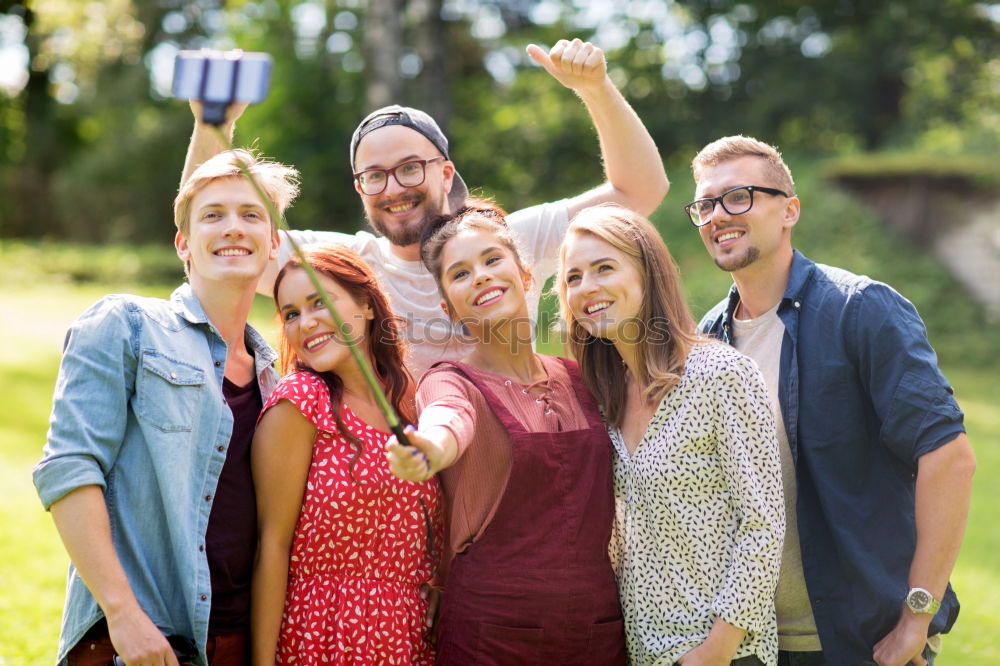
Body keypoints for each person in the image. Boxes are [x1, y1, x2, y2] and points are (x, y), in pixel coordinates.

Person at [182, 38, 669, 376]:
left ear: (446, 173)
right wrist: (212, 126)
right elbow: (205, 245)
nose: (394, 187)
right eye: (374, 176)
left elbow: (639, 192)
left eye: (411, 167)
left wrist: (595, 90)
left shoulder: (503, 245)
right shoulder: (344, 265)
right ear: (361, 189)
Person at [688, 136, 976, 666]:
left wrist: (916, 617)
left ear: (789, 210)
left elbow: (949, 459)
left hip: (861, 641)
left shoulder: (860, 310)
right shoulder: (708, 340)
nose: (717, 216)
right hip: (753, 645)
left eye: (738, 197)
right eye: (705, 205)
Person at [33, 149, 299, 665]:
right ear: (184, 243)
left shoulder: (277, 379)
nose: (232, 228)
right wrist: (124, 616)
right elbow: (68, 469)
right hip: (137, 642)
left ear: (273, 244)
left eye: (250, 214)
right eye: (212, 215)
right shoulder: (127, 324)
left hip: (238, 642)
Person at [385, 200, 626, 665]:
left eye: (492, 260)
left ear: (526, 276)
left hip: (598, 630)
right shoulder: (450, 381)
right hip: (490, 636)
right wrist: (428, 449)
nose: (480, 276)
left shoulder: (582, 377)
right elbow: (448, 419)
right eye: (460, 273)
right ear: (448, 308)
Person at [558, 204, 785, 666]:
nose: (587, 287)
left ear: (648, 273)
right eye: (573, 277)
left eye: (604, 267)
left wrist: (715, 651)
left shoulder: (721, 375)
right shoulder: (602, 396)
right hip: (641, 651)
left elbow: (763, 525)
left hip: (725, 654)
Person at [250, 243, 443, 665]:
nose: (307, 322)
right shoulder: (301, 402)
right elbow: (273, 546)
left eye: (320, 302)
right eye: (292, 313)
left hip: (409, 638)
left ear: (367, 305)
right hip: (324, 633)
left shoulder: (412, 401)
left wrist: (439, 582)